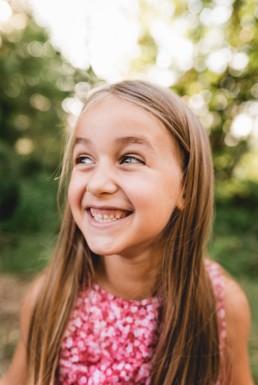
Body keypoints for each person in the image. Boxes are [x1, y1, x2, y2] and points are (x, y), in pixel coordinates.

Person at [0, 80, 254, 385]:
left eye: (129, 159)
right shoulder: (49, 298)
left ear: (185, 187)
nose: (97, 183)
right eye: (84, 159)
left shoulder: (222, 305)